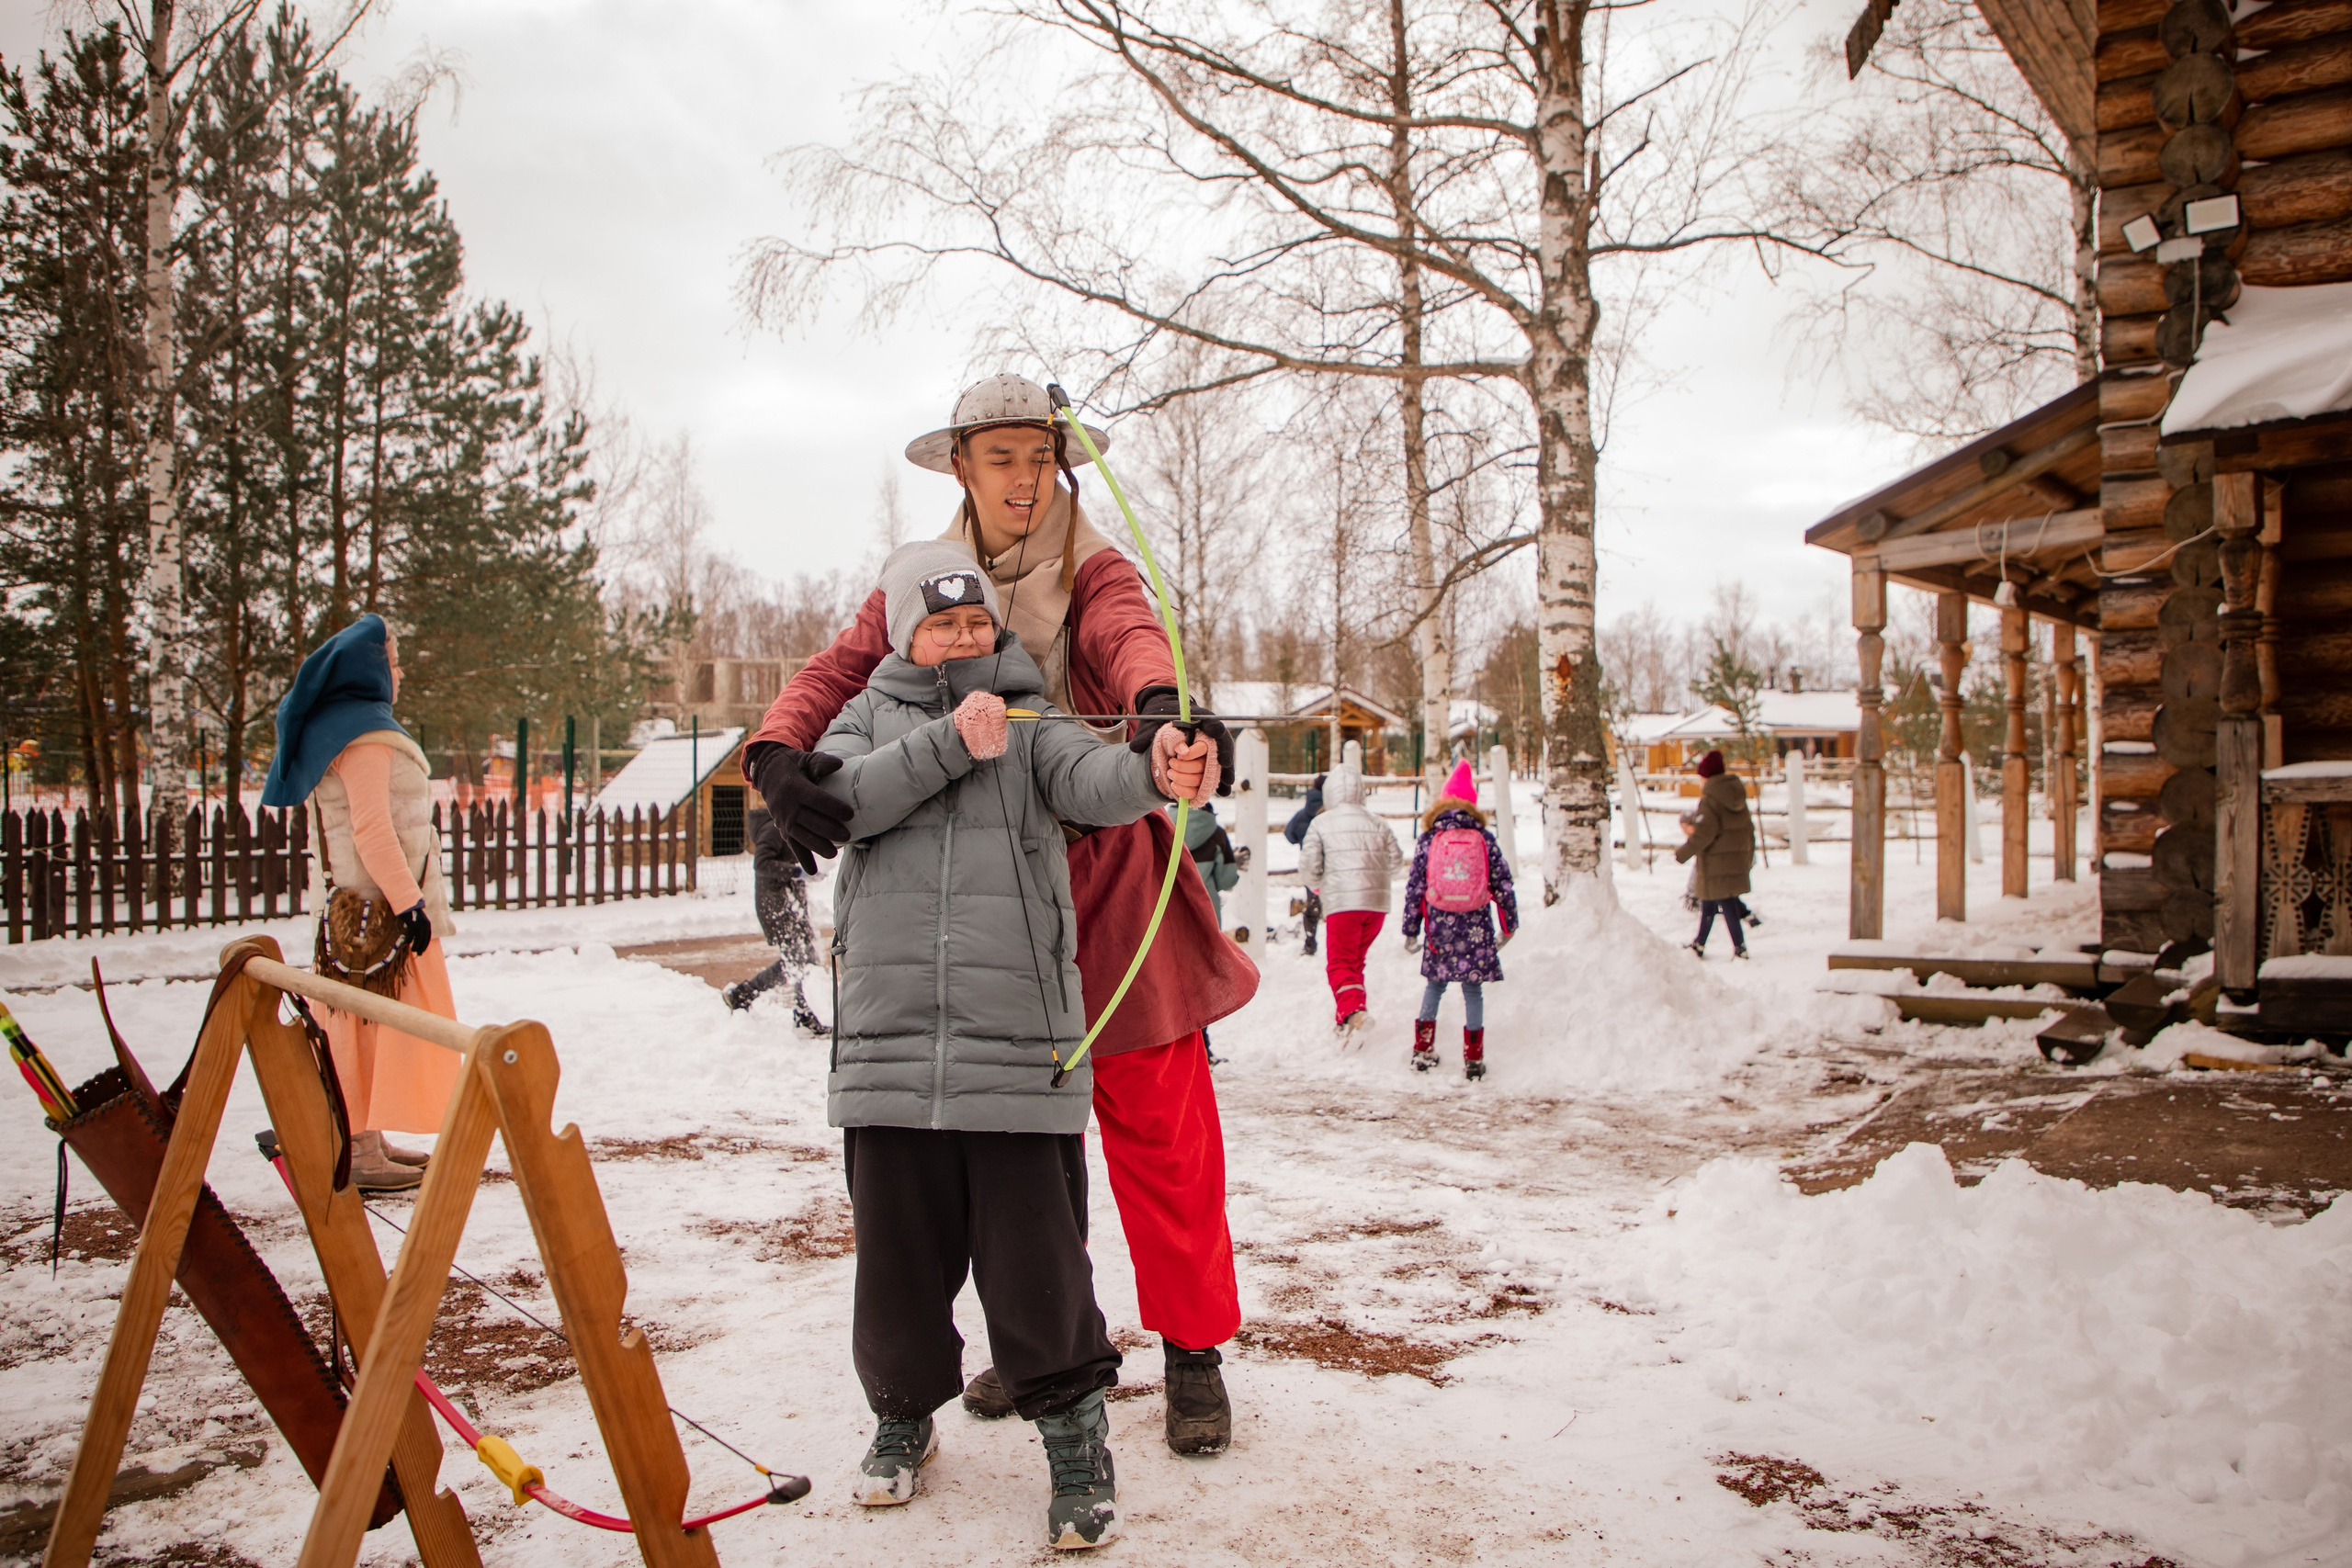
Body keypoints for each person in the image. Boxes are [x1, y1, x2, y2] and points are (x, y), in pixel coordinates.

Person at [741, 375, 1259, 1457]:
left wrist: (1159, 717)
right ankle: (1041, 1352)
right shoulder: (926, 582)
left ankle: (1194, 1352)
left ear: (1063, 466)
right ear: (963, 468)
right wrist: (776, 755)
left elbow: (1129, 641)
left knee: (1160, 1131)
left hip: (1108, 885)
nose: (1024, 480)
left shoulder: (1095, 568)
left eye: (1041, 458)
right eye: (1001, 459)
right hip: (981, 913)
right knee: (1015, 1147)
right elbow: (838, 669)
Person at [817, 543, 1214, 1549]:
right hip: (889, 1056)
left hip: (1017, 1055)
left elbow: (1100, 780)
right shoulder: (862, 717)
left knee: (1039, 1272)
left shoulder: (1034, 727)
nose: (961, 637)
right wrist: (950, 742)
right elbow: (844, 802)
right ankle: (901, 1420)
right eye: (941, 621)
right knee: (896, 1269)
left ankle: (1077, 1445)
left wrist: (1159, 763)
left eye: (976, 621)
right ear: (904, 631)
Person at [260, 615, 462, 1192]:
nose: (398, 673)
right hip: (378, 914)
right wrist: (411, 904)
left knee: (363, 1024)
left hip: (356, 907)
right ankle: (354, 1147)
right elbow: (374, 831)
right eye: (392, 663)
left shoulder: (339, 730)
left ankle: (366, 1138)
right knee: (364, 1025)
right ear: (367, 672)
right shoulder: (368, 738)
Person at [1400, 761, 1519, 1080]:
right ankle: (1474, 1060)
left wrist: (1410, 930)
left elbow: (1415, 887)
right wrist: (1509, 926)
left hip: (1439, 926)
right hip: (1476, 924)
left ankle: (1423, 1051)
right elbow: (1503, 883)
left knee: (1435, 986)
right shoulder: (1483, 837)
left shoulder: (1429, 838)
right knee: (1472, 991)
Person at [1295, 766, 1400, 1037]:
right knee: (1355, 961)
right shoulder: (1379, 822)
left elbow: (1309, 865)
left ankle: (1354, 1011)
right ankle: (1345, 1018)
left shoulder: (1321, 823)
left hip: (1343, 903)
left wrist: (1318, 886)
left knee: (1340, 962)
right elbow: (1396, 861)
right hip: (1376, 904)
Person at [721, 805, 823, 1032]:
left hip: (791, 904)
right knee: (796, 961)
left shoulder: (787, 825)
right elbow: (761, 863)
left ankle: (803, 1013)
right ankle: (743, 994)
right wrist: (797, 872)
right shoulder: (773, 828)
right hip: (776, 907)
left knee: (807, 959)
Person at [1675, 749, 1754, 960]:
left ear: (1707, 776)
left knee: (1726, 903)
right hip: (1733, 859)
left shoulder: (1711, 800)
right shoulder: (1737, 795)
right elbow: (1749, 829)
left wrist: (1682, 854)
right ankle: (1700, 943)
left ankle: (1740, 948)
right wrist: (1748, 857)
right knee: (1709, 901)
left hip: (1716, 861)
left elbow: (1704, 834)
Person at [1283, 772, 1327, 953]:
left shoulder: (1302, 815)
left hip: (1310, 867)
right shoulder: (1332, 812)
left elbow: (1289, 835)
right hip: (1333, 864)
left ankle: (1310, 942)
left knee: (1313, 905)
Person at [1182, 798, 1240, 929]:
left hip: (1167, 906)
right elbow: (1226, 881)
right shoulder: (1217, 833)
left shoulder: (1162, 827)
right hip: (1206, 907)